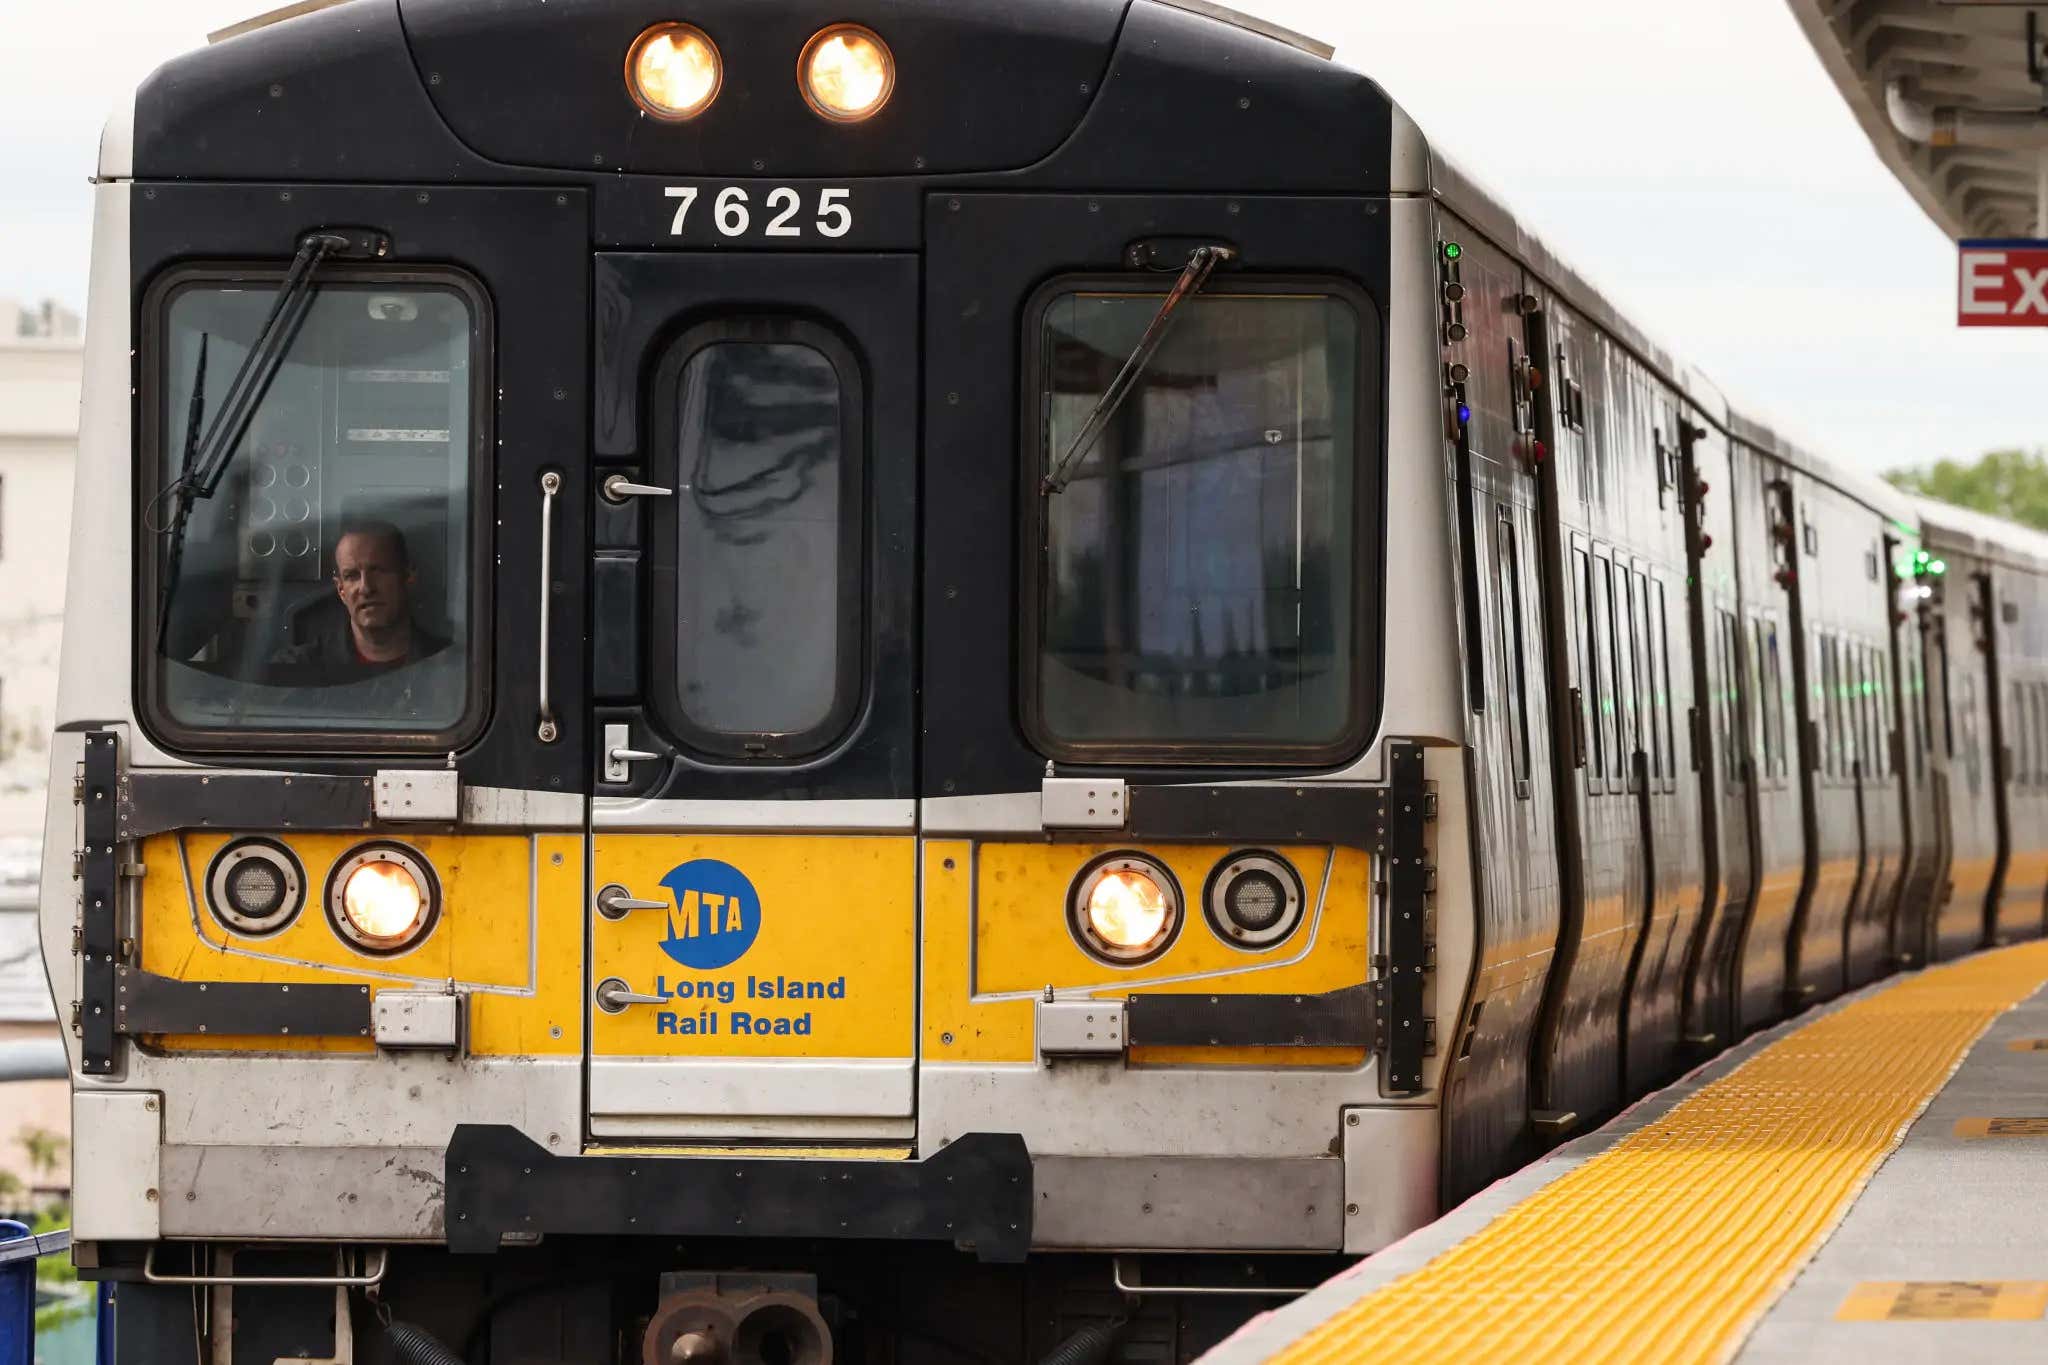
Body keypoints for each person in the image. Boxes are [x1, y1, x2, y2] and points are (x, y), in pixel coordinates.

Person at [270, 520, 449, 684]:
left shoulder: (450, 667)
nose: (366, 587)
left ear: (408, 576)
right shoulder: (299, 668)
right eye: (352, 576)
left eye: (378, 571)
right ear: (341, 590)